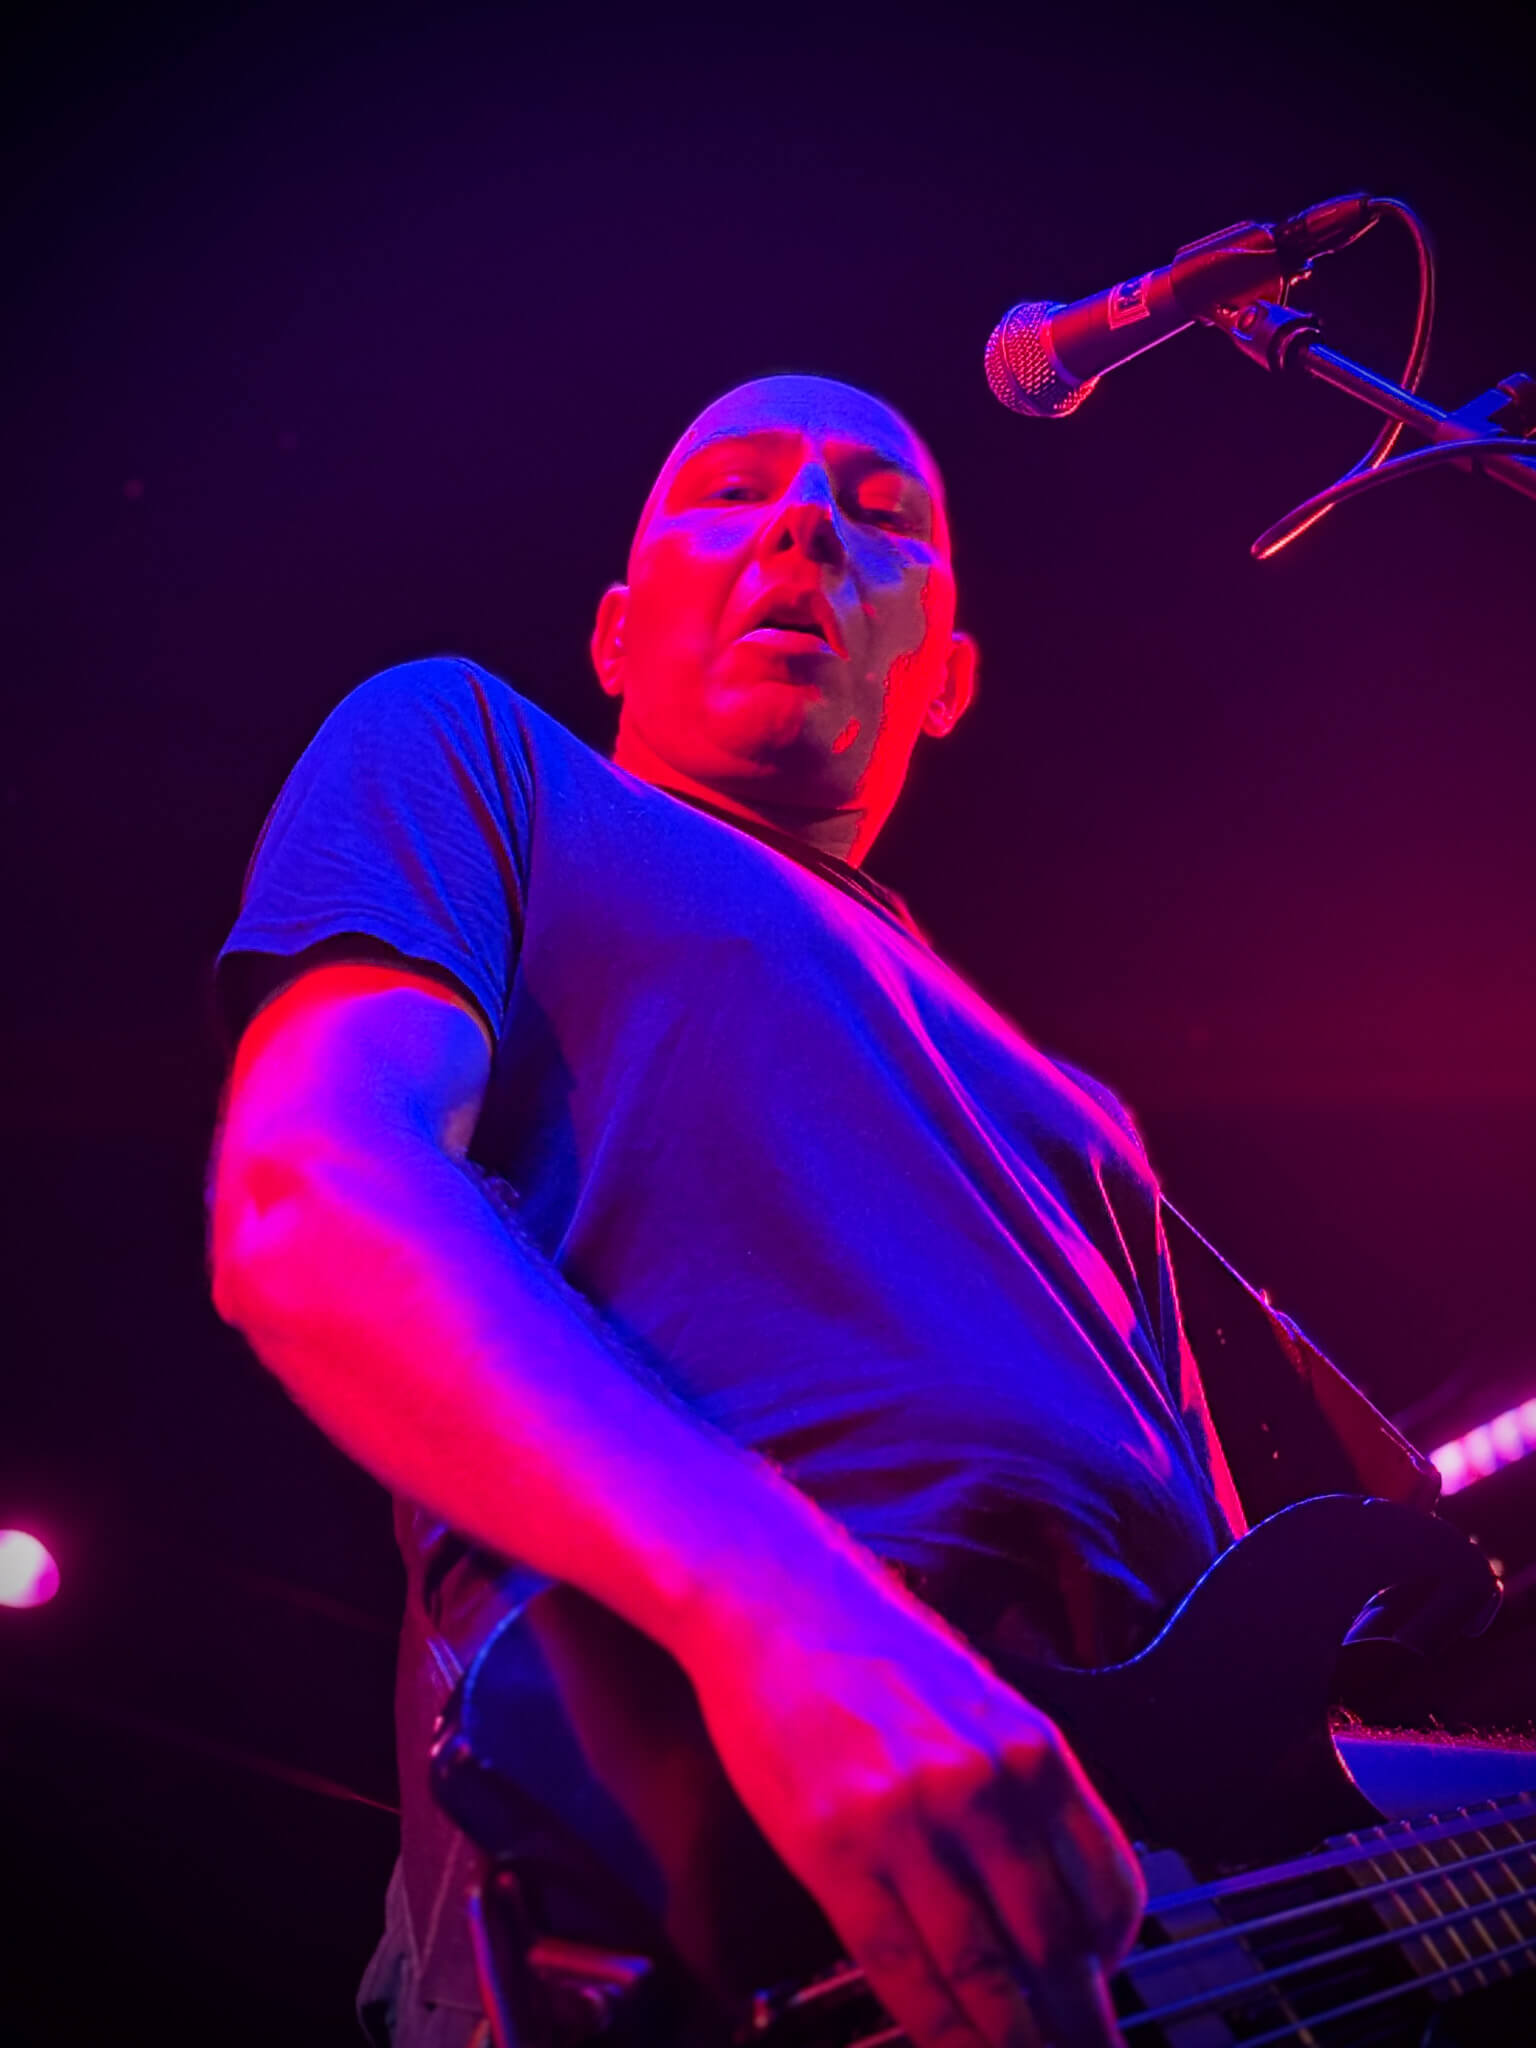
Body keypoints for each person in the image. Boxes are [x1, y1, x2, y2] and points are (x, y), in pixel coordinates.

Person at [208, 374, 1254, 2048]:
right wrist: (785, 1616)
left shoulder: (1085, 1121)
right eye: (732, 491)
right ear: (617, 632)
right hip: (717, 1907)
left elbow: (1238, 1621)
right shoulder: (481, 756)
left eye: (881, 515)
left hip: (1142, 1936)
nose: (806, 526)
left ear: (947, 676)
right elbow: (311, 1190)